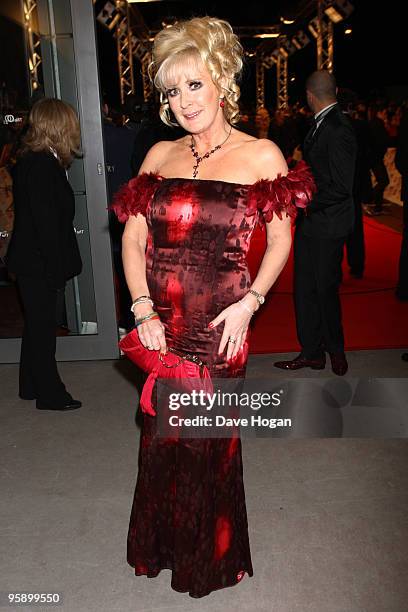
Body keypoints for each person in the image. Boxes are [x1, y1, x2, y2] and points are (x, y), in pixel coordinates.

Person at [111, 16, 315, 599]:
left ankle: (211, 557)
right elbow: (132, 239)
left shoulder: (262, 155)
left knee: (208, 440)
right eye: (172, 91)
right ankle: (160, 548)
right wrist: (143, 309)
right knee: (160, 435)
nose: (183, 101)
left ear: (221, 80)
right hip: (162, 323)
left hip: (221, 322)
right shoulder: (158, 153)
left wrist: (251, 304)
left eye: (193, 84)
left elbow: (279, 242)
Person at [275, 70, 357, 376]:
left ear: (309, 96)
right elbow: (319, 171)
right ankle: (311, 352)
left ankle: (335, 350)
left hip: (329, 224)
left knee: (325, 290)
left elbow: (341, 186)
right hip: (312, 222)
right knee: (304, 290)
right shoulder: (320, 124)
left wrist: (302, 198)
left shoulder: (338, 128)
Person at [6, 98, 82, 410]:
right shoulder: (40, 165)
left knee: (36, 326)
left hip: (32, 260)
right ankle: (50, 393)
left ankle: (30, 386)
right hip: (39, 263)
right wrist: (54, 272)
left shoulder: (36, 160)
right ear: (59, 127)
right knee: (43, 330)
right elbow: (45, 224)